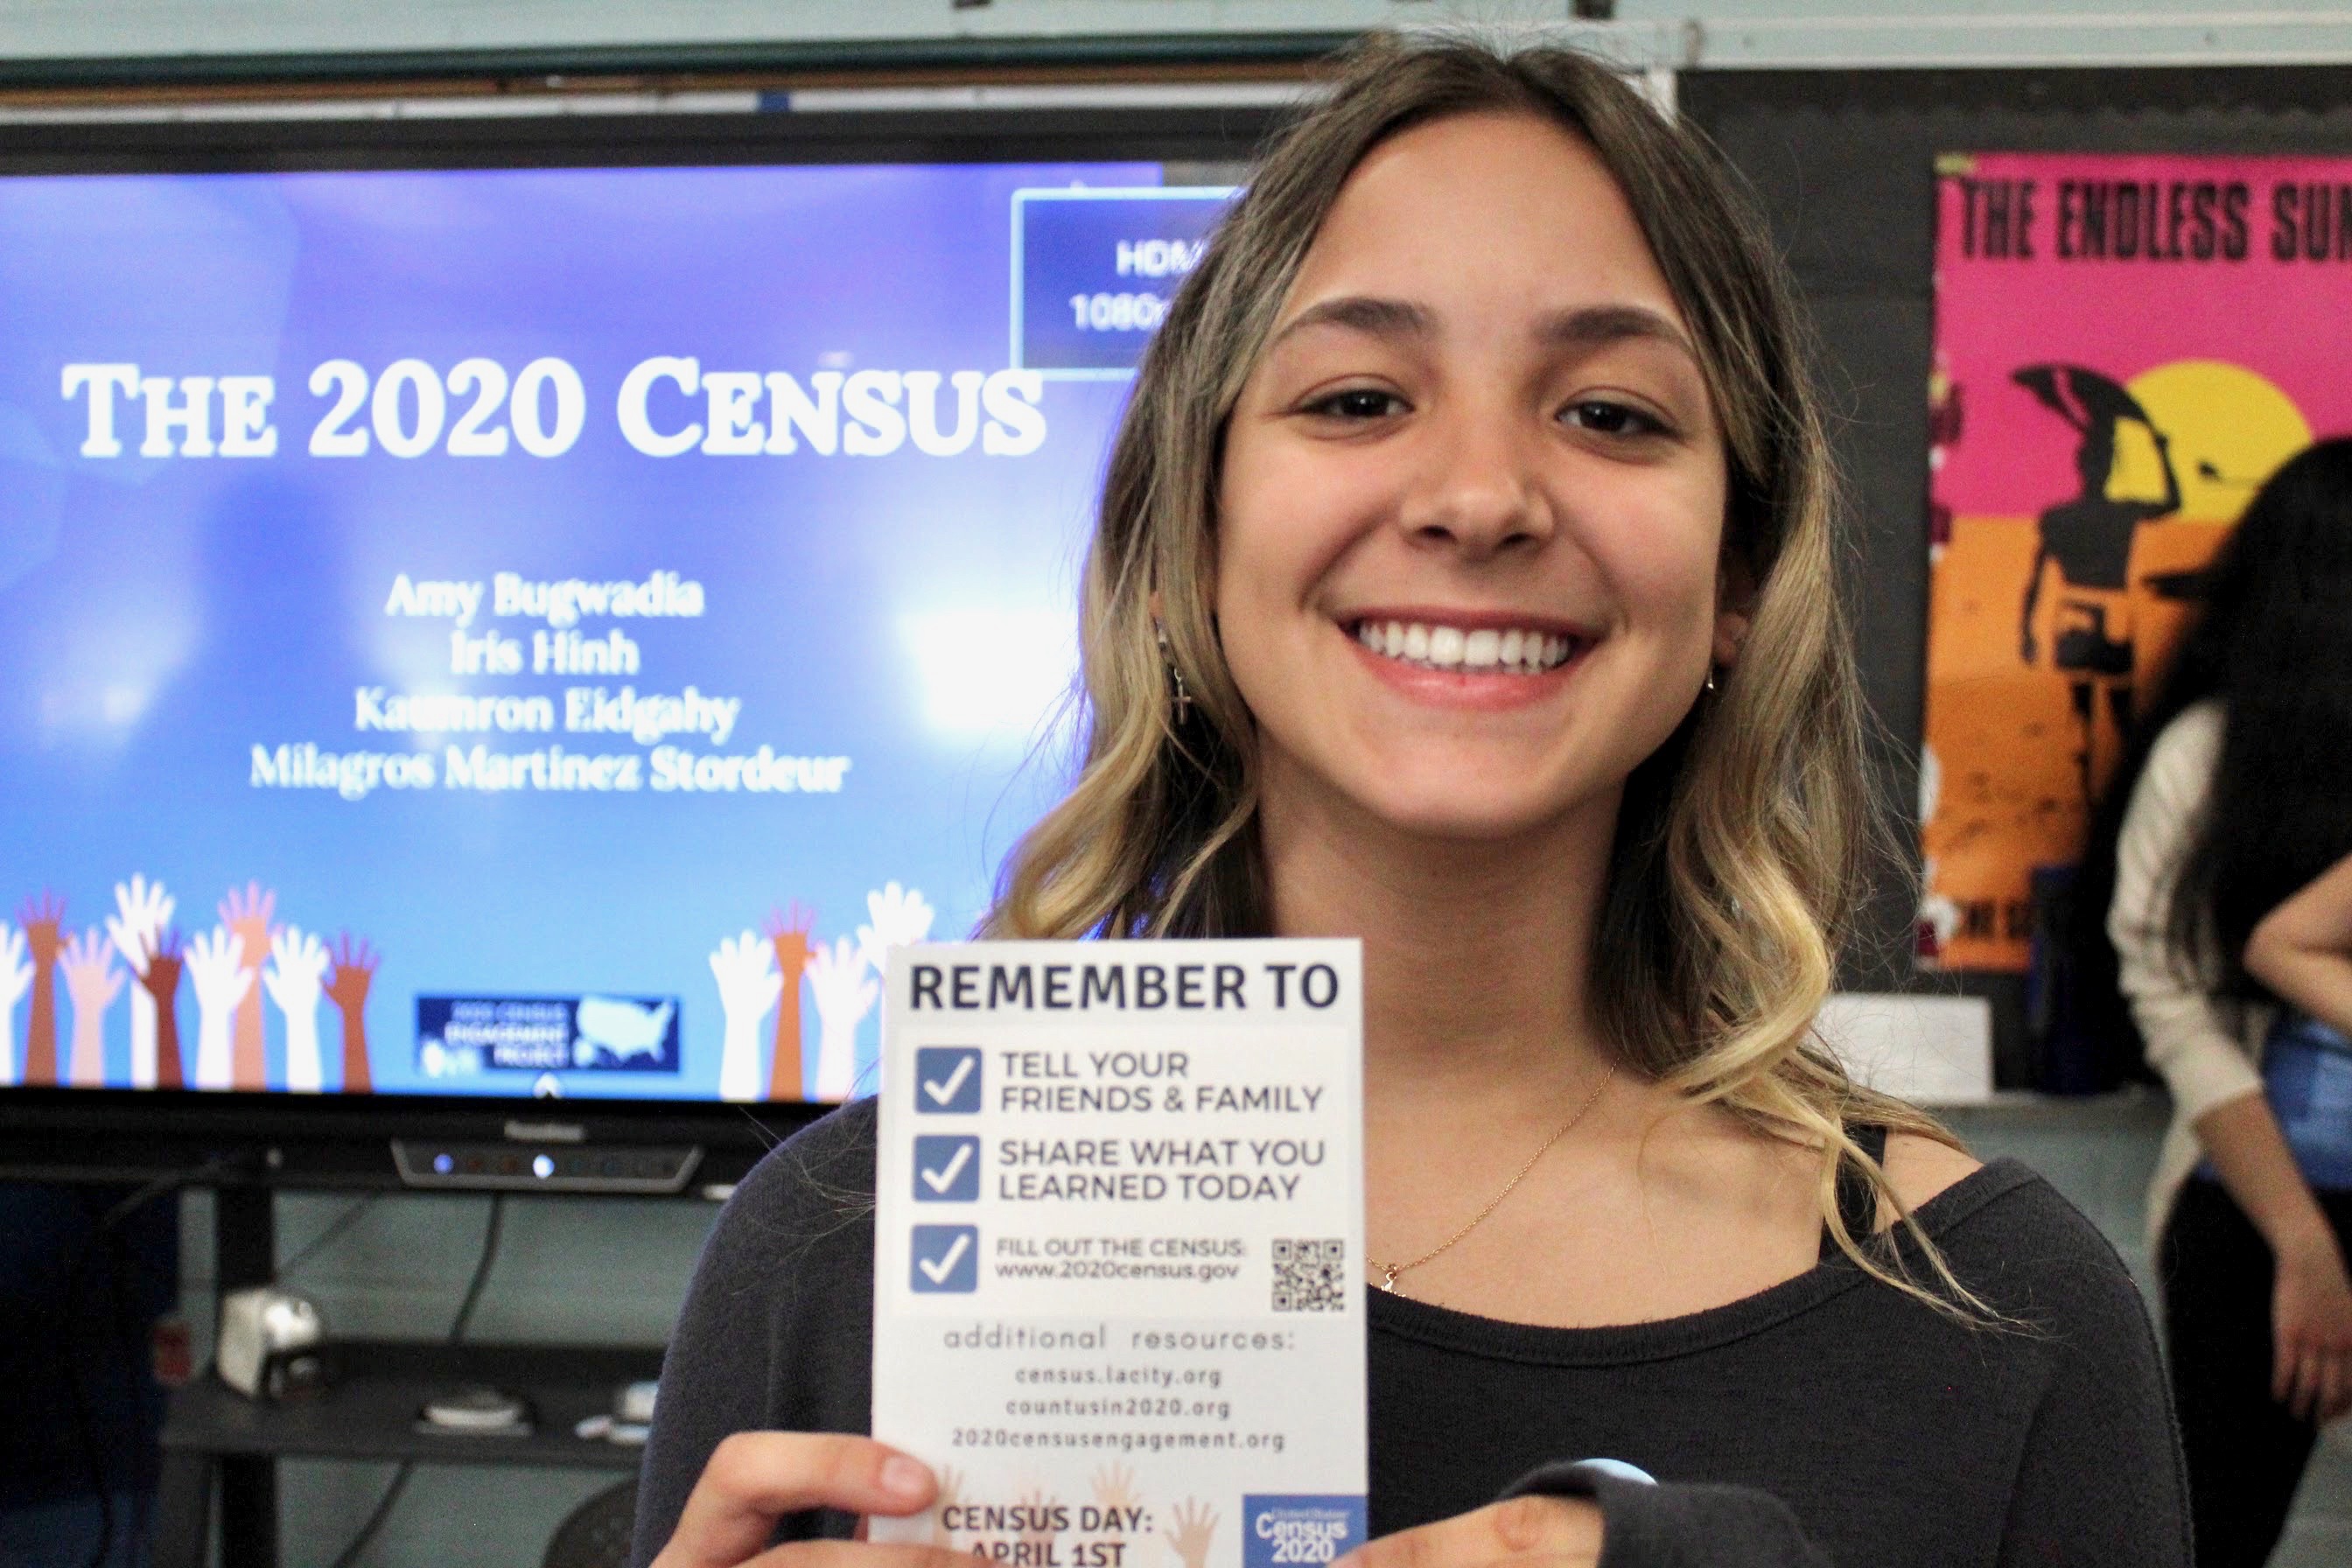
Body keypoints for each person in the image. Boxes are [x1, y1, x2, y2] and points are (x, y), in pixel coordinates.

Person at [632, 38, 2186, 1568]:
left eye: (1613, 415)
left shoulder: (2007, 1320)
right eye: (1362, 397)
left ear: (1736, 580)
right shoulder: (837, 1254)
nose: (1481, 497)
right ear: (1189, 532)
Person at [2088, 436, 2352, 1568]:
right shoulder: (2206, 760)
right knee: (2210, 1532)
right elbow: (2174, 1000)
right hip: (2256, 1203)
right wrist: (2302, 1243)